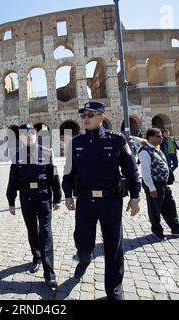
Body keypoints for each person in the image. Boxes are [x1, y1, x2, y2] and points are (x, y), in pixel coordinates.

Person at [62, 101, 141, 300]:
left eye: (91, 114)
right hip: (86, 202)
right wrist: (68, 194)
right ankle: (84, 258)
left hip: (111, 201)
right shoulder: (76, 142)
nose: (86, 118)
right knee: (83, 242)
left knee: (113, 246)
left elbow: (131, 170)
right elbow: (69, 172)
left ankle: (114, 289)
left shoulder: (117, 140)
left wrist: (135, 196)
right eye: (83, 115)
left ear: (102, 117)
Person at [6, 123, 62, 289]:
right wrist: (11, 201)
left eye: (31, 132)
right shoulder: (17, 156)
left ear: (35, 134)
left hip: (43, 195)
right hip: (26, 197)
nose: (28, 135)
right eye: (25, 133)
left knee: (46, 233)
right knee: (32, 230)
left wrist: (58, 198)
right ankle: (36, 256)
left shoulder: (46, 152)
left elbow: (54, 176)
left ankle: (49, 273)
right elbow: (12, 180)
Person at [138, 128, 179, 241]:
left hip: (163, 184)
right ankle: (157, 231)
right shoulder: (145, 151)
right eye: (158, 136)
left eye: (161, 136)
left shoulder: (157, 149)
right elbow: (145, 171)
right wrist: (151, 188)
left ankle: (176, 228)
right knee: (155, 209)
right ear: (150, 138)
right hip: (154, 184)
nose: (161, 138)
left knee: (170, 206)